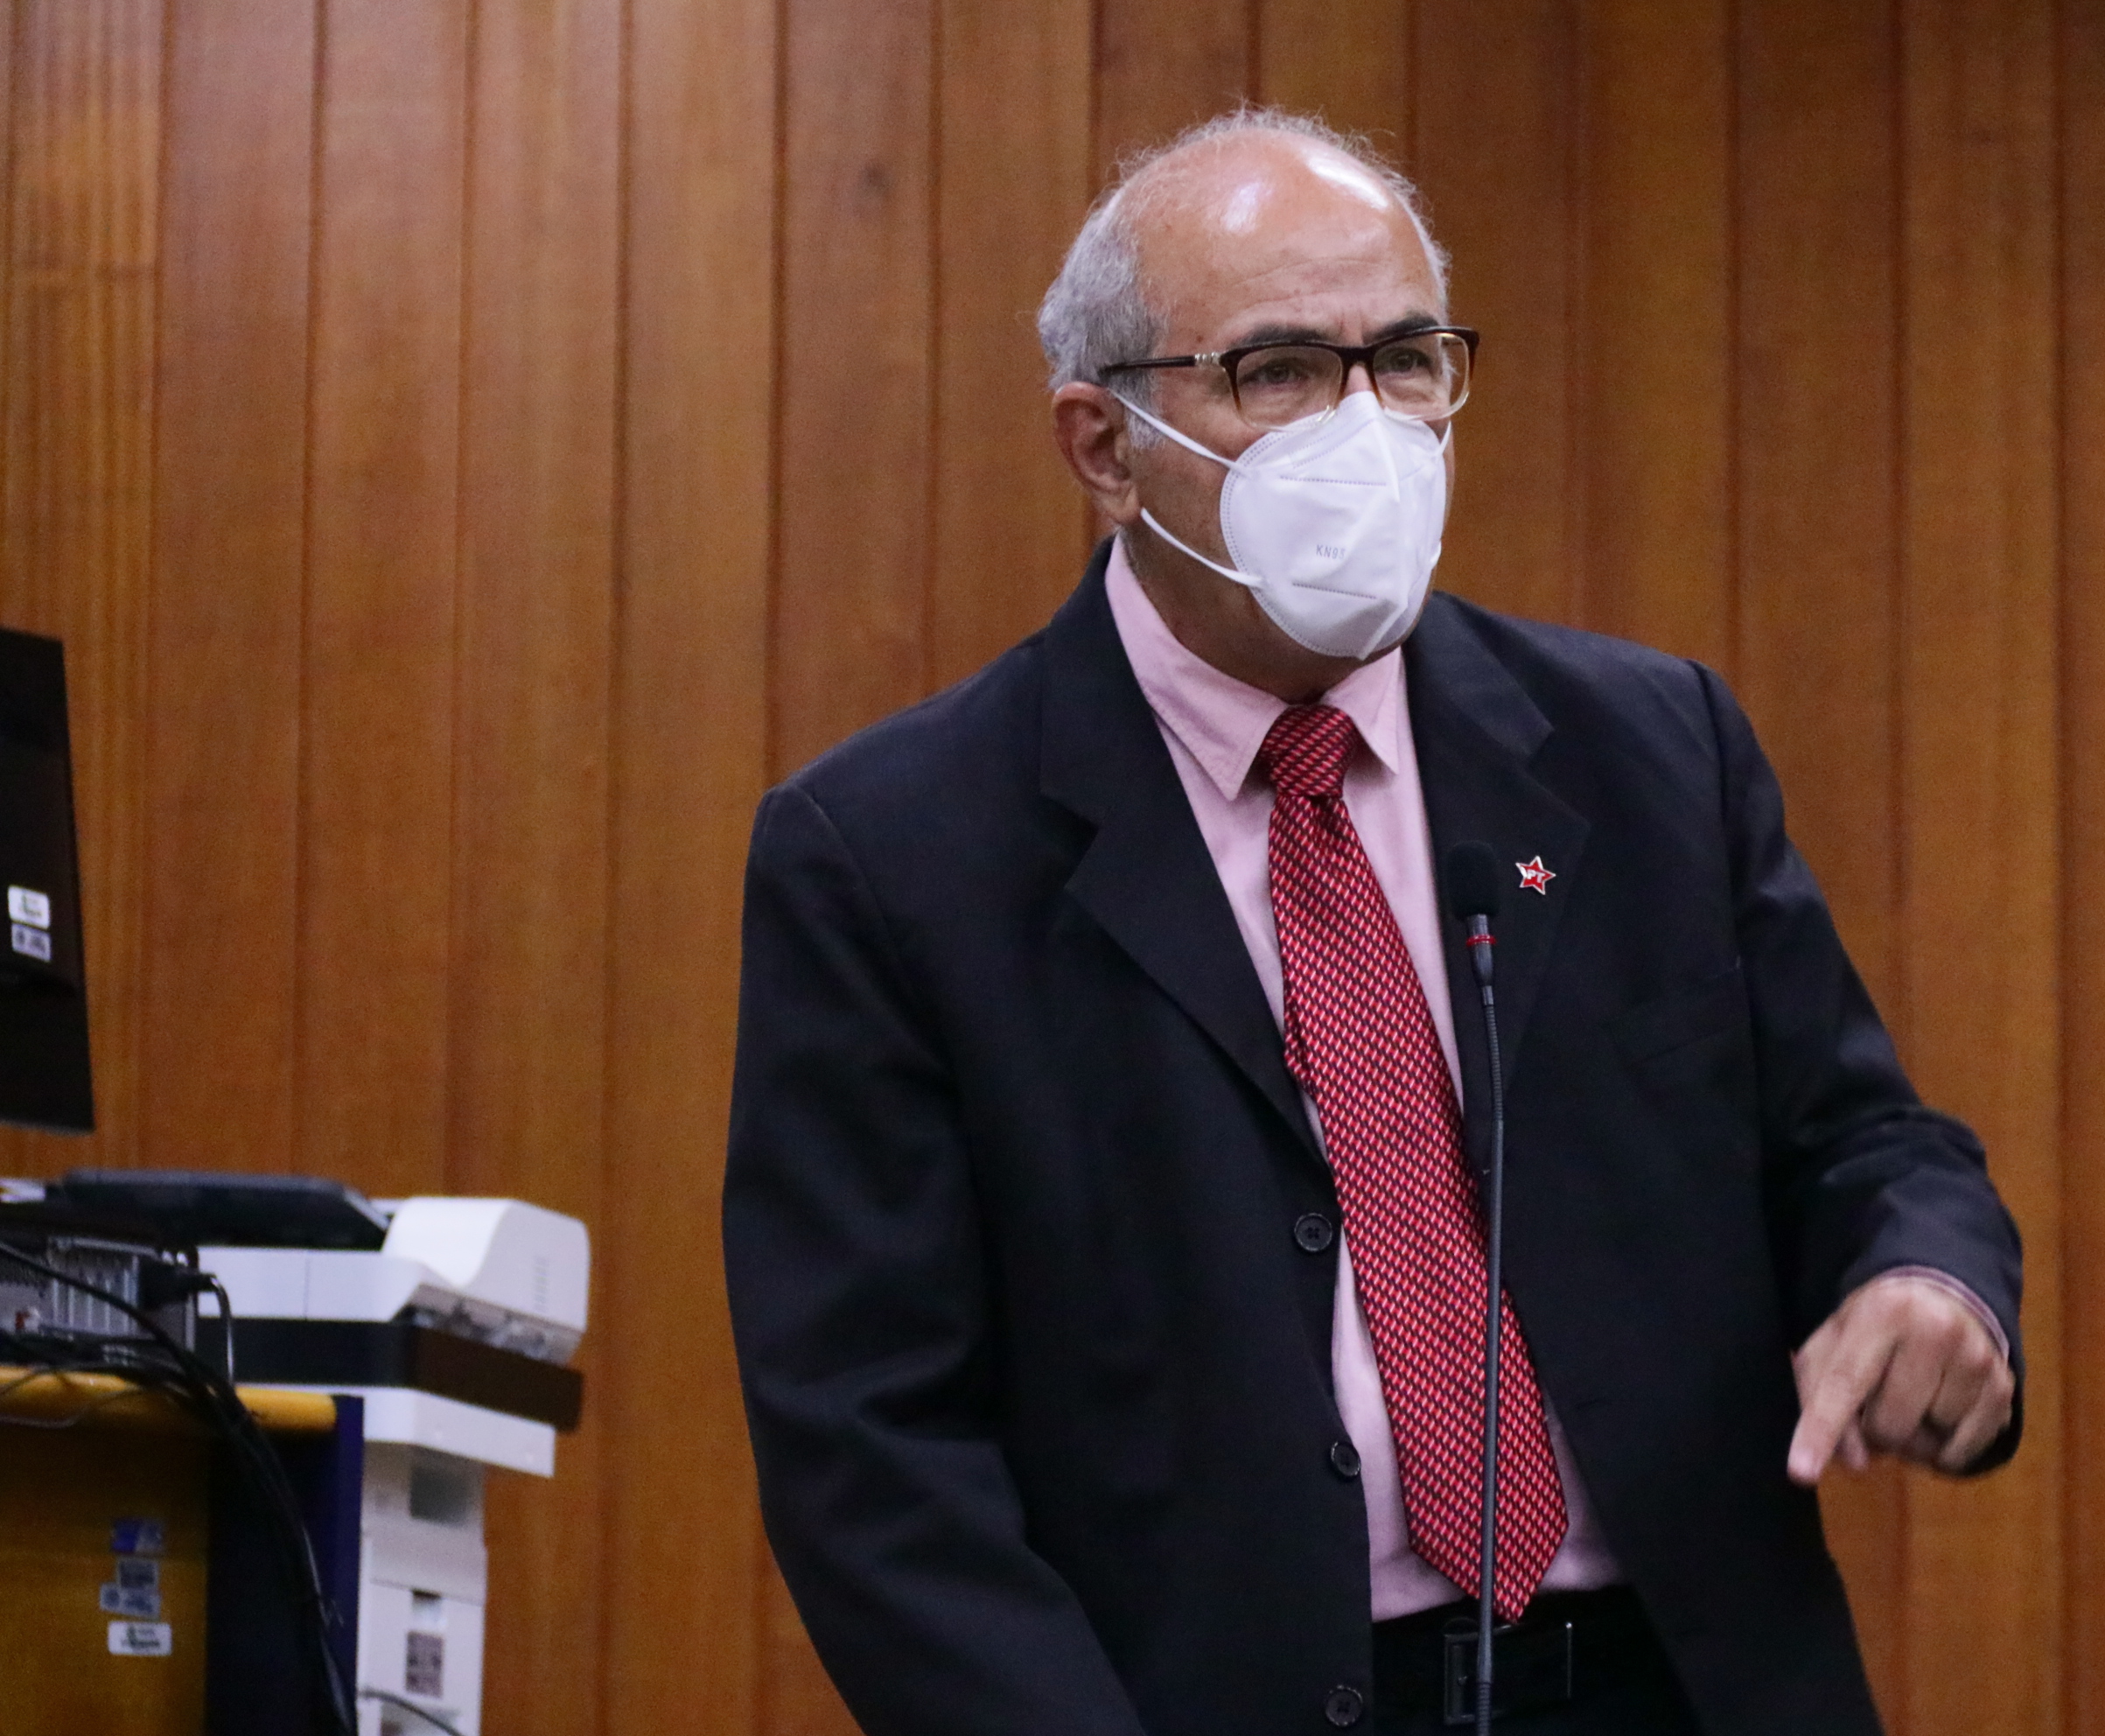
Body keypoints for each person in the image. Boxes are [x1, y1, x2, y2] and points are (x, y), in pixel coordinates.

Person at [723, 108, 2022, 1736]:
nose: (1366, 429)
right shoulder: (895, 854)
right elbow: (870, 1441)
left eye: (1406, 362)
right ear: (1104, 445)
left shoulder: (1643, 748)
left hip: (1673, 1677)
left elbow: (1863, 1139)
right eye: (1277, 372)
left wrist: (1928, 1279)